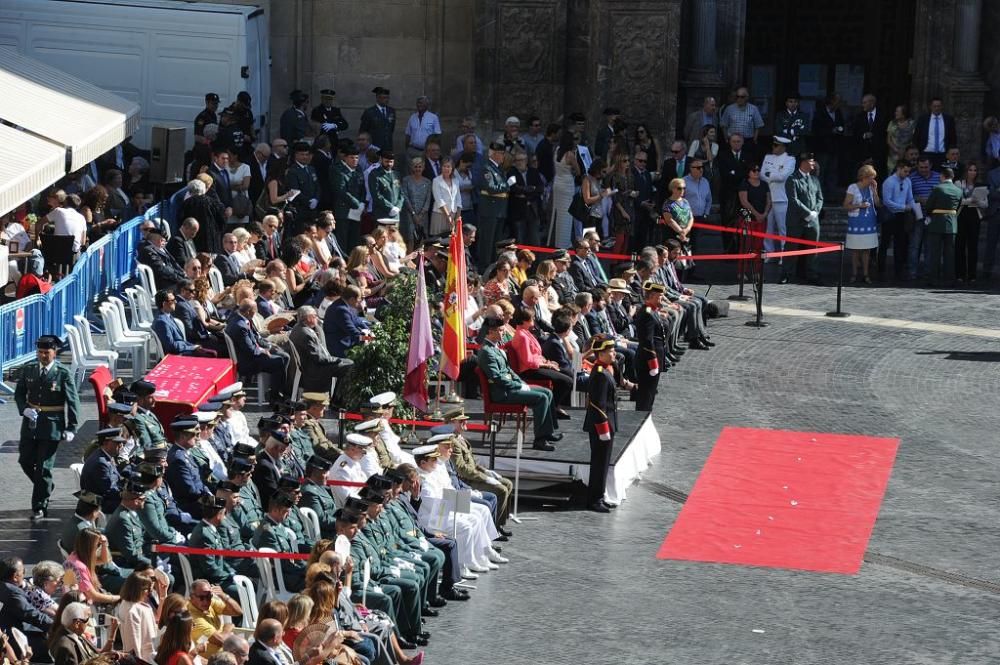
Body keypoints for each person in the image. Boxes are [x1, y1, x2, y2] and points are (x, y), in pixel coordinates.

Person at [15, 335, 80, 520]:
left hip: (52, 426)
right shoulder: (29, 369)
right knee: (25, 461)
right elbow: (20, 393)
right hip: (30, 424)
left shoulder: (62, 373)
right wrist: (24, 409)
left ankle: (39, 506)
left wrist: (71, 427)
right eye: (40, 352)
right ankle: (46, 486)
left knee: (44, 468)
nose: (43, 356)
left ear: (55, 352)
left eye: (47, 352)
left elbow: (72, 400)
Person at [476, 316, 561, 451]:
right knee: (541, 398)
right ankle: (540, 440)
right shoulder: (486, 352)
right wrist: (518, 385)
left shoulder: (495, 348)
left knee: (548, 392)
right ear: (490, 332)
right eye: (500, 330)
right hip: (502, 393)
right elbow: (497, 377)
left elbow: (509, 370)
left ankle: (547, 432)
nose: (503, 333)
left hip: (509, 387)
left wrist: (521, 382)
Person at [509, 308, 573, 413]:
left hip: (535, 367)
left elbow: (535, 355)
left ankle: (553, 406)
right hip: (529, 371)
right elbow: (529, 361)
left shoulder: (525, 333)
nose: (533, 321)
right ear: (524, 321)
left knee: (568, 373)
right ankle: (552, 408)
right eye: (532, 319)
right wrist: (546, 365)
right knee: (566, 381)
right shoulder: (522, 336)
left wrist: (547, 362)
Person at [225, 299, 287, 404]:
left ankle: (277, 390)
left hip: (251, 355)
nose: (256, 313)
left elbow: (256, 338)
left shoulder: (241, 319)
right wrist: (264, 350)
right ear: (249, 311)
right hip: (248, 362)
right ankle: (274, 397)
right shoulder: (240, 326)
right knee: (280, 361)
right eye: (255, 311)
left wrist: (270, 346)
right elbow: (251, 350)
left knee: (283, 355)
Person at [583, 337, 618, 513]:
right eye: (611, 351)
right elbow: (597, 404)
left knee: (603, 462)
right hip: (601, 426)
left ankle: (599, 495)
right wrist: (603, 428)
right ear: (601, 353)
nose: (614, 353)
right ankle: (594, 499)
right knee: (599, 463)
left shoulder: (604, 369)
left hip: (605, 424)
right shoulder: (600, 374)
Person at [782, 153, 825, 285]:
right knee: (791, 248)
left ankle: (812, 274)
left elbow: (820, 198)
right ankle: (786, 274)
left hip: (813, 220)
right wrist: (807, 213)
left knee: (813, 248)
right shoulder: (792, 179)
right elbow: (793, 200)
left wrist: (815, 212)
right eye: (811, 162)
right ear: (803, 163)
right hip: (796, 220)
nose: (813, 164)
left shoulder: (814, 180)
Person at [0, 557, 53, 661]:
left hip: (11, 630)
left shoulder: (5, 587)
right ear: (15, 577)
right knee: (53, 645)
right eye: (23, 571)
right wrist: (57, 626)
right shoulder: (12, 593)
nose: (24, 573)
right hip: (12, 640)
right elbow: (32, 615)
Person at [923, 167, 963, 286]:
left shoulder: (937, 189)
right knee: (949, 253)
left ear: (943, 176)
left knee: (935, 252)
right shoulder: (958, 190)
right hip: (952, 224)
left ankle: (933, 279)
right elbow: (958, 206)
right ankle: (949, 279)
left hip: (936, 223)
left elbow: (929, 206)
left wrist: (930, 214)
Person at [843, 165, 881, 283]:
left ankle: (866, 274)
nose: (872, 180)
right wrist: (860, 205)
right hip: (856, 222)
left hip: (869, 222)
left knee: (867, 250)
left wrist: (875, 191)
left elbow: (878, 204)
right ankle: (854, 274)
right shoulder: (852, 188)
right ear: (864, 177)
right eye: (870, 177)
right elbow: (846, 205)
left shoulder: (871, 188)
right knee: (855, 250)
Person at [632, 282, 666, 411]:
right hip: (648, 361)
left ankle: (645, 418)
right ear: (652, 296)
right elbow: (647, 340)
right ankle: (641, 420)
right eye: (660, 296)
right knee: (646, 395)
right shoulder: (647, 313)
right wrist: (653, 362)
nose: (661, 299)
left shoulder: (652, 310)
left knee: (650, 394)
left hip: (654, 358)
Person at [879, 161, 916, 279]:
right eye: (905, 171)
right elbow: (887, 201)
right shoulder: (889, 182)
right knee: (885, 243)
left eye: (908, 172)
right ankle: (881, 270)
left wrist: (916, 210)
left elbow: (910, 198)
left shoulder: (907, 181)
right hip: (890, 215)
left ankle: (898, 271)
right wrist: (903, 207)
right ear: (899, 169)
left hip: (901, 216)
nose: (907, 174)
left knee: (900, 243)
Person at [187, 579, 242, 656]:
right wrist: (227, 628)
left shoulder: (209, 603)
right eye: (201, 597)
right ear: (192, 597)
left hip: (224, 654)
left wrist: (224, 596)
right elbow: (222, 640)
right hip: (211, 660)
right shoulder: (192, 617)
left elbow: (237, 612)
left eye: (209, 596)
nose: (206, 601)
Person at [760, 136, 795, 253]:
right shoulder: (768, 157)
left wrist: (769, 175)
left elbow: (782, 177)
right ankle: (769, 253)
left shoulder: (790, 160)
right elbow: (761, 174)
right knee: (767, 229)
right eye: (773, 145)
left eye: (776, 145)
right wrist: (774, 175)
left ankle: (783, 254)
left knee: (782, 229)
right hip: (768, 197)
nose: (773, 147)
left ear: (783, 147)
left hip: (781, 198)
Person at [115, 572, 158, 662]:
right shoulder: (132, 611)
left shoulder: (131, 604)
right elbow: (133, 643)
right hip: (144, 659)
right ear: (137, 589)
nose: (150, 592)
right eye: (148, 589)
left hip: (149, 655)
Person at [954, 162, 986, 283]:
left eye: (975, 170)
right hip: (961, 216)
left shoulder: (979, 186)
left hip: (974, 216)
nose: (972, 172)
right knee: (960, 245)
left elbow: (985, 203)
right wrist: (971, 200)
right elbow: (958, 200)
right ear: (966, 171)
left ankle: (972, 275)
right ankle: (960, 274)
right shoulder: (959, 184)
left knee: (973, 246)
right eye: (970, 170)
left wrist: (976, 201)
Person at [811, 93, 846, 195]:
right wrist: (831, 130)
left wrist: (840, 130)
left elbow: (842, 125)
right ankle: (819, 194)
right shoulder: (820, 113)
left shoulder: (838, 112)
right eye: (837, 102)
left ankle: (832, 194)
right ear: (831, 102)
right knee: (821, 171)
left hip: (835, 148)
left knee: (833, 171)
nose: (839, 104)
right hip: (823, 148)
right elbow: (816, 130)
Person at [913, 97, 957, 171]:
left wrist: (950, 153)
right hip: (926, 154)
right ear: (930, 107)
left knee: (943, 175)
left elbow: (953, 137)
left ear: (942, 106)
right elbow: (916, 136)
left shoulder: (948, 119)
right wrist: (920, 152)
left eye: (938, 106)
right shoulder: (923, 119)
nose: (936, 108)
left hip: (943, 155)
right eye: (934, 106)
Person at [852, 93, 889, 176]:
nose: (862, 105)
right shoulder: (859, 117)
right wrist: (864, 135)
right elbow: (855, 134)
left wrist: (876, 157)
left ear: (872, 103)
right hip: (863, 155)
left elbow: (884, 136)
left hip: (878, 155)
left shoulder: (883, 116)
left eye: (865, 103)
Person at [720, 87, 764, 155]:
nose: (739, 99)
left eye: (742, 97)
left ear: (747, 97)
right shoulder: (729, 109)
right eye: (737, 96)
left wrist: (754, 139)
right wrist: (726, 139)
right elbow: (723, 125)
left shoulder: (753, 109)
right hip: (732, 141)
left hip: (747, 141)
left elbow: (758, 125)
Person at [401, 158, 432, 243]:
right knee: (411, 239)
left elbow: (428, 199)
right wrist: (413, 214)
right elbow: (405, 197)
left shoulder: (428, 182)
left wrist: (421, 214)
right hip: (410, 214)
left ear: (423, 168)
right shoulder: (406, 180)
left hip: (423, 215)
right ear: (412, 167)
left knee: (422, 239)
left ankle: (420, 257)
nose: (418, 169)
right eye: (415, 166)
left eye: (420, 167)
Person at [359, 86, 397, 153]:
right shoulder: (369, 112)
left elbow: (391, 128)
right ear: (378, 98)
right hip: (374, 146)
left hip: (388, 146)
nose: (386, 100)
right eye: (384, 98)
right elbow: (363, 130)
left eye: (387, 98)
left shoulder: (391, 111)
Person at [886, 105, 915, 173]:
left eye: (897, 111)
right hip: (894, 154)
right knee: (892, 172)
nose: (895, 113)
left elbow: (914, 139)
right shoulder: (892, 123)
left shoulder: (912, 123)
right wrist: (897, 150)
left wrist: (906, 151)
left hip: (907, 154)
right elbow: (888, 140)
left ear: (903, 113)